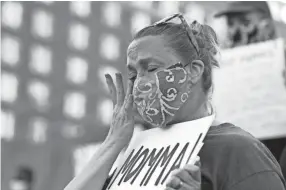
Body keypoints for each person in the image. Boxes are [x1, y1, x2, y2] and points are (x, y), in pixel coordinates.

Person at [64, 13, 285, 190]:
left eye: (151, 69)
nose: (140, 83)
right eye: (133, 75)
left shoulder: (237, 150)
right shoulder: (134, 152)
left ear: (194, 71)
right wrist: (114, 142)